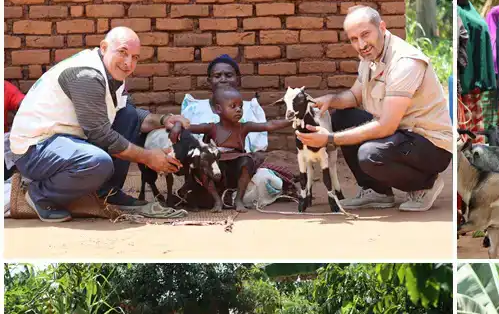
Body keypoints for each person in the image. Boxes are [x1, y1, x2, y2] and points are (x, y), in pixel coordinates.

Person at [5, 25, 186, 221]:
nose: (128, 63)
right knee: (97, 162)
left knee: (128, 115)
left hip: (63, 141)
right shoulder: (87, 75)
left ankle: (106, 192)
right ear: (104, 47)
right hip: (35, 149)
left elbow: (132, 116)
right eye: (123, 53)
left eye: (134, 57)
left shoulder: (113, 74)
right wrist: (149, 157)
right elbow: (101, 136)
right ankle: (40, 195)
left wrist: (164, 120)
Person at [297, 6, 452, 213]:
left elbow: (386, 126)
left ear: (381, 27)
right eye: (353, 39)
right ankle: (376, 191)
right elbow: (354, 96)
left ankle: (425, 184)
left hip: (430, 144)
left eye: (365, 35)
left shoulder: (404, 62)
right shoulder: (370, 57)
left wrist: (330, 139)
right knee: (343, 117)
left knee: (370, 154)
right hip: (401, 135)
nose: (361, 45)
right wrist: (330, 100)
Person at [170, 85, 290, 209]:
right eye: (233, 106)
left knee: (247, 160)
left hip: (235, 168)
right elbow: (189, 127)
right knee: (202, 162)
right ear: (218, 109)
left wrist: (292, 120)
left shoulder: (244, 127)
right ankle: (217, 200)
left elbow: (269, 125)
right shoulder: (212, 127)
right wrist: (178, 124)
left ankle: (239, 200)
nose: (239, 110)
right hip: (216, 169)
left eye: (241, 106)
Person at [180, 55, 272, 155]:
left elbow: (259, 151)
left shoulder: (251, 109)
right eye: (217, 76)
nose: (223, 80)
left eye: (228, 75)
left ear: (238, 80)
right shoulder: (193, 109)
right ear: (209, 81)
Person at [456, 0, 499, 141]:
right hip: (466, 74)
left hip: (478, 75)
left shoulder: (470, 11)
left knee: (478, 118)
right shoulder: (457, 12)